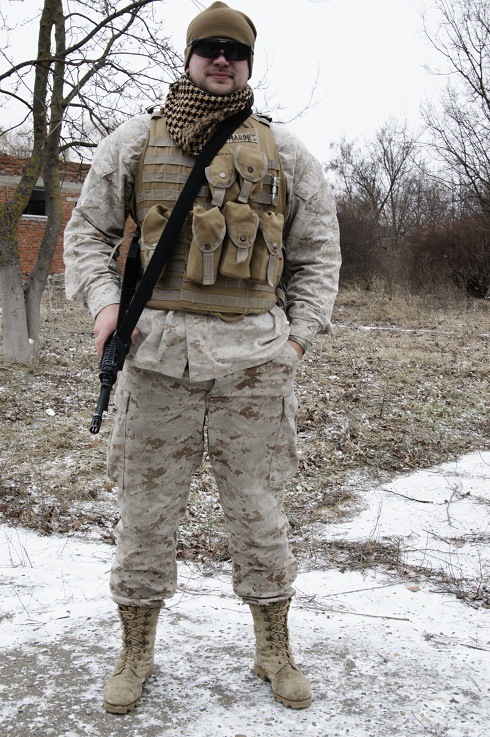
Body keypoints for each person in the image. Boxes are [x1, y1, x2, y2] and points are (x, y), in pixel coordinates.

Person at [64, 0, 341, 715]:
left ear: (249, 64)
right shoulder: (134, 141)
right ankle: (135, 651)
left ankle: (274, 649)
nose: (222, 59)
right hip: (157, 363)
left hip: (256, 367)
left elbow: (318, 253)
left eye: (235, 51)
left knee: (261, 512)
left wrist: (297, 339)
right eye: (209, 47)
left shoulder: (285, 152)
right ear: (189, 57)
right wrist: (104, 306)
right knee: (145, 513)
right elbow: (87, 232)